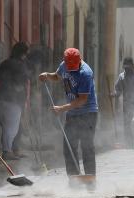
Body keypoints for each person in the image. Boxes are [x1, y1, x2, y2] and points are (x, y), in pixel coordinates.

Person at [39, 48, 98, 179]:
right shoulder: (64, 65)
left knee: (87, 146)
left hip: (88, 113)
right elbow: (57, 76)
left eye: (73, 67)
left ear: (79, 60)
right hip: (72, 114)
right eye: (69, 66)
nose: (71, 69)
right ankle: (74, 179)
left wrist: (62, 108)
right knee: (68, 146)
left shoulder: (85, 73)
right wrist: (47, 75)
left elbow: (82, 100)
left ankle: (90, 178)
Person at [0, 42, 30, 160]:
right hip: (12, 100)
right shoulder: (21, 65)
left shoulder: (4, 63)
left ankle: (14, 150)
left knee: (11, 127)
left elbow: (0, 81)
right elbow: (23, 83)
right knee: (11, 128)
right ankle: (7, 152)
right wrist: (25, 100)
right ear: (23, 54)